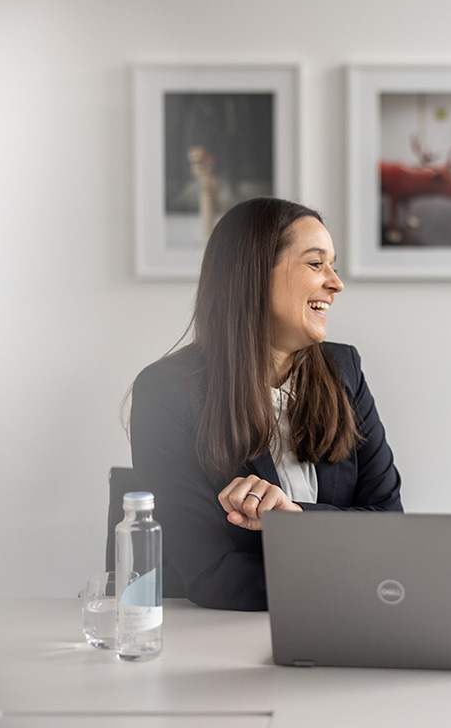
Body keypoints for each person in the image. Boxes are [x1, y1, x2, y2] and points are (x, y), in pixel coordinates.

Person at [129, 197, 403, 611]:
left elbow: (392, 530)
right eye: (316, 264)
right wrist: (355, 582)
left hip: (348, 631)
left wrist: (294, 518)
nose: (336, 283)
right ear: (253, 275)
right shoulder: (167, 392)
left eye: (334, 265)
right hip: (216, 643)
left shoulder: (344, 369)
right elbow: (211, 574)